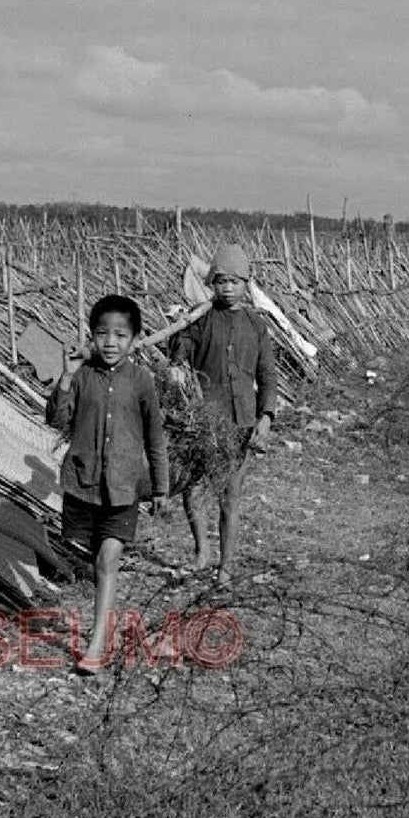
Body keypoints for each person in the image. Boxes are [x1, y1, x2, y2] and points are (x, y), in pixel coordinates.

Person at [46, 294, 169, 675]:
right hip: (84, 483)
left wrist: (161, 487)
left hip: (123, 486)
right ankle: (106, 623)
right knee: (93, 554)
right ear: (91, 336)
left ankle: (98, 643)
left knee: (107, 558)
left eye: (120, 335)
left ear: (134, 339)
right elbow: (56, 420)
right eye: (102, 334)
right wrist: (65, 377)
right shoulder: (82, 377)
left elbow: (155, 437)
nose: (110, 343)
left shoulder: (142, 381)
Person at [168, 243, 276, 588]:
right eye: (221, 281)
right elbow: (179, 355)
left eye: (235, 281)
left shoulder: (256, 326)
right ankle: (202, 553)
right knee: (193, 489)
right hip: (202, 421)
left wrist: (266, 417)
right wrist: (178, 351)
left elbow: (267, 376)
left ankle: (225, 567)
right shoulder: (200, 320)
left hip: (240, 422)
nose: (227, 288)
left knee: (231, 496)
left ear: (247, 284)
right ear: (212, 283)